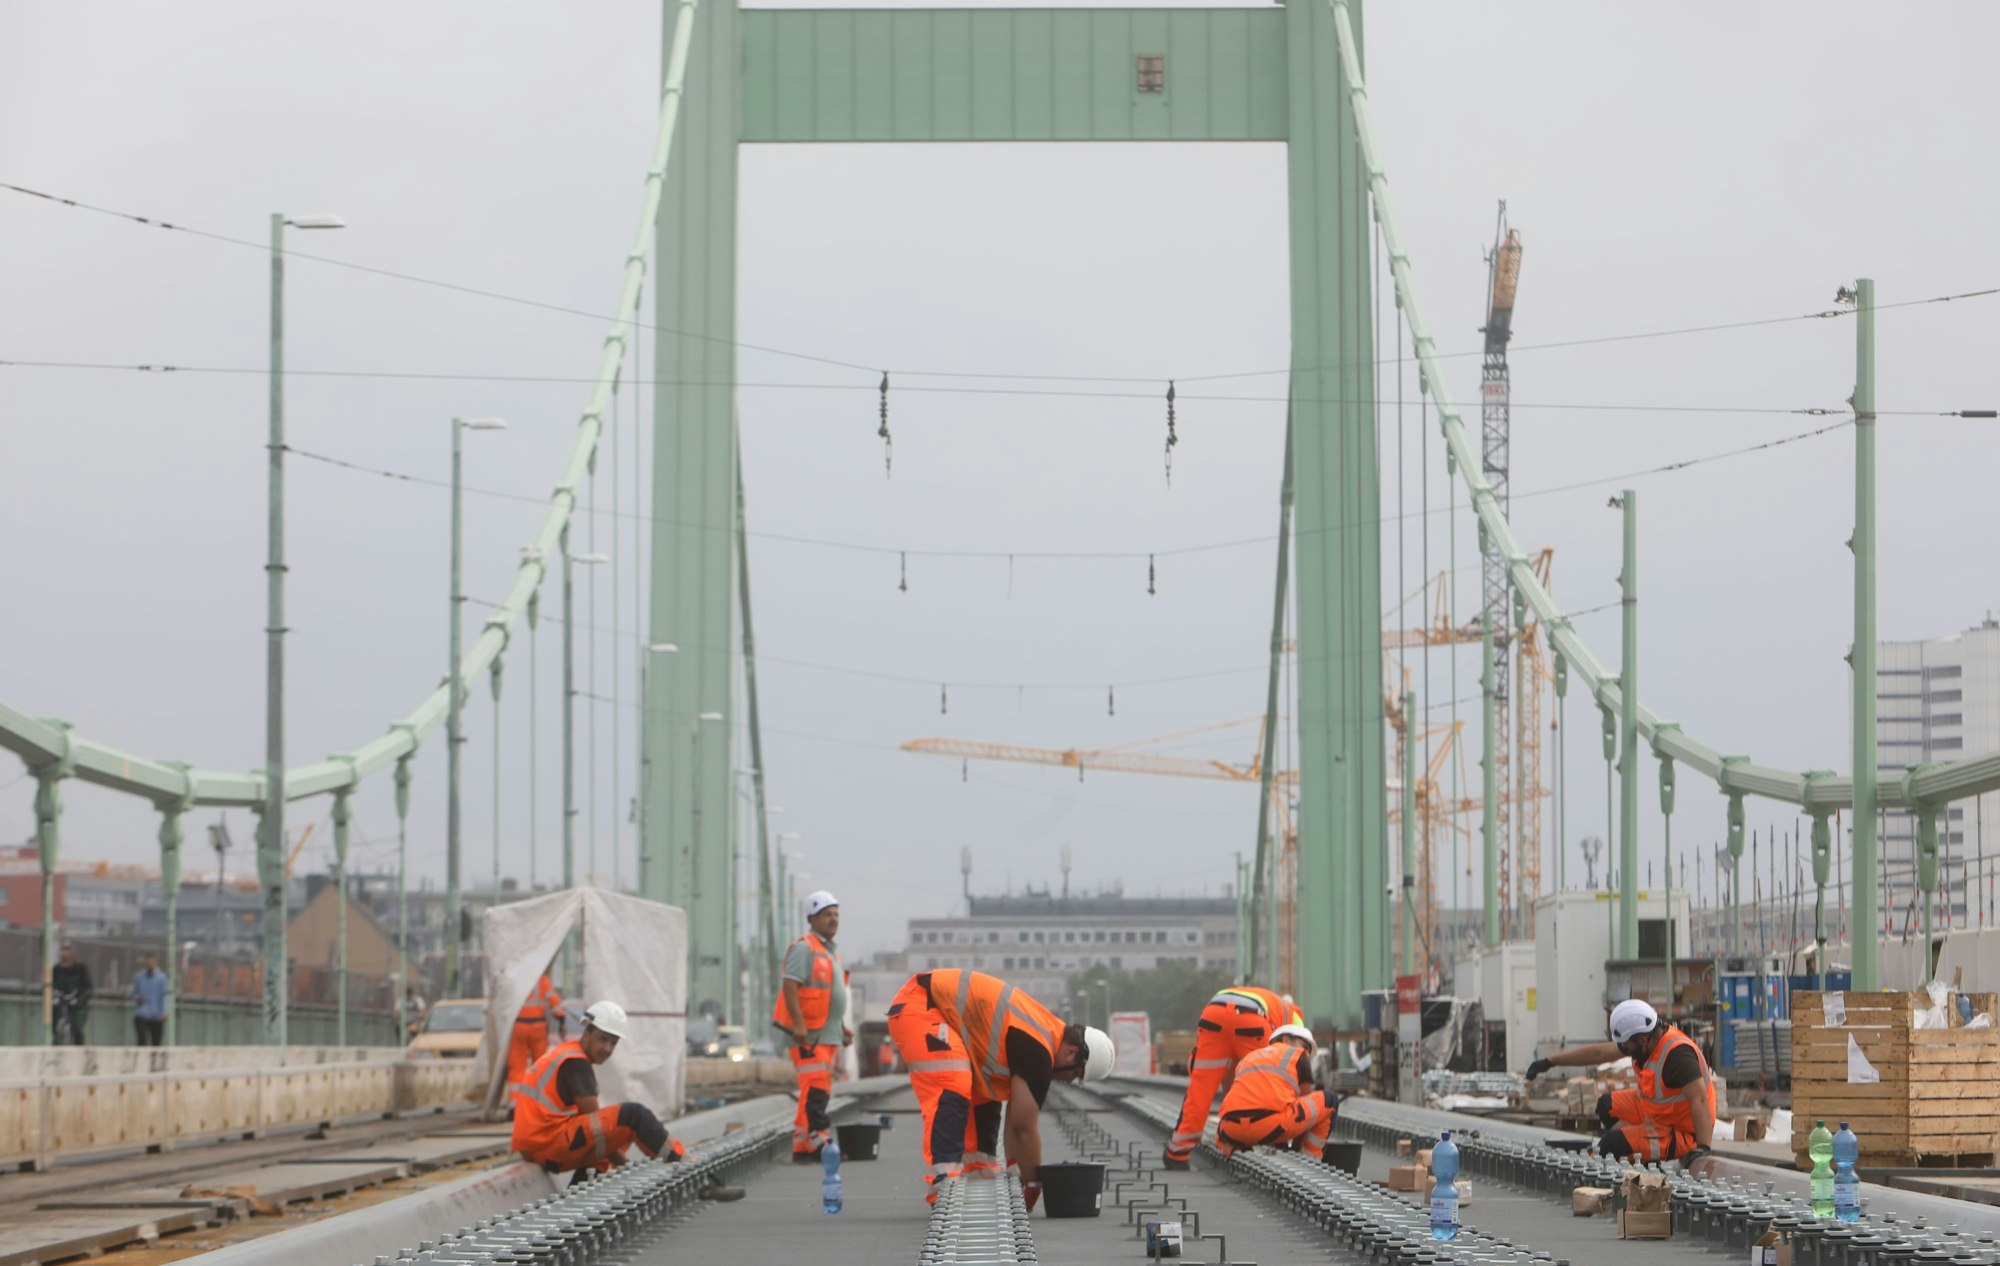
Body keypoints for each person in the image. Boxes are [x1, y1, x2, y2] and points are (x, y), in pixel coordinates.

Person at [886, 968, 1115, 1209]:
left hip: (931, 1007)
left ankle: (979, 1173)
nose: (1069, 1081)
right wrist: (1034, 1184)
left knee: (985, 1093)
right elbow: (1022, 1127)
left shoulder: (1044, 1035)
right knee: (951, 1084)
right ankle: (944, 1184)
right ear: (1071, 1052)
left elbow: (1016, 1117)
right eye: (1076, 1074)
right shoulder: (1040, 1050)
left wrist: (1016, 1168)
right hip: (923, 1007)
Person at [1526, 998, 1715, 1167]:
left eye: (1625, 1044)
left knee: (1611, 1144)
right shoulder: (1645, 1042)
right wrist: (1550, 1062)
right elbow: (1599, 1053)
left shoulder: (1677, 1056)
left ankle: (1632, 1154)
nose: (1622, 1049)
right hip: (1656, 1111)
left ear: (1642, 1039)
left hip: (1682, 1132)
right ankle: (1636, 1151)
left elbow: (1699, 1100)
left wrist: (1703, 1147)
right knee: (1605, 1105)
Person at [510, 1000, 685, 1176]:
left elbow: (596, 1131)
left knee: (605, 1146)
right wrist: (624, 1166)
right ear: (587, 1033)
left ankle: (580, 1199)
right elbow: (598, 1127)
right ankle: (681, 1163)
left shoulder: (567, 1054)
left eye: (613, 1043)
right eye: (603, 1039)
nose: (607, 1049)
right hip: (547, 1145)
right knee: (634, 1115)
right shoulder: (576, 1063)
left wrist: (618, 1162)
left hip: (539, 1147)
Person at [1165, 984, 1303, 1169]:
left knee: (1200, 1092)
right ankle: (1259, 1139)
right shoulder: (1295, 1020)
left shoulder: (1268, 999)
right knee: (1266, 1085)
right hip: (1252, 1021)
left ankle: (1177, 1153)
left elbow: (1232, 1081)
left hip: (1214, 1014)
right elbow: (1294, 1067)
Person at [771, 890, 851, 1161]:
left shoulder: (830, 953)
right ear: (811, 918)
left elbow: (829, 995)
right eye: (827, 914)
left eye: (836, 914)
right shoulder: (804, 948)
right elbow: (790, 986)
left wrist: (841, 1027)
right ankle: (818, 1140)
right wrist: (799, 1024)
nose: (833, 919)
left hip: (826, 1033)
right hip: (809, 1033)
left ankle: (803, 1144)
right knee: (815, 1086)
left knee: (818, 1088)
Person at [1214, 1024, 1338, 1159]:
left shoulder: (1248, 1058)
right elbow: (1305, 1103)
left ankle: (1232, 1147)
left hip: (1230, 1130)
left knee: (1278, 1108)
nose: (1306, 1053)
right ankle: (1309, 1158)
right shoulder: (1297, 1055)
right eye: (1304, 1046)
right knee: (1329, 1100)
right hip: (1268, 1128)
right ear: (1286, 1040)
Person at [506, 968, 566, 1111]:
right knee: (540, 1066)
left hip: (518, 1026)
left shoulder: (516, 979)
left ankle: (515, 1103)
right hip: (538, 1027)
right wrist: (561, 1019)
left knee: (517, 1066)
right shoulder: (542, 980)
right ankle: (539, 1102)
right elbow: (555, 1002)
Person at [51, 943, 93, 1045]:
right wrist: (54, 996)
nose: (64, 953)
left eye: (67, 950)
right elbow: (51, 986)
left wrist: (80, 999)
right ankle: (56, 1045)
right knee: (56, 1027)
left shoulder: (81, 968)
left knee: (77, 1029)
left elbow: (88, 988)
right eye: (63, 951)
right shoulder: (57, 969)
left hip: (77, 1004)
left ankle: (79, 1048)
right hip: (61, 1002)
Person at [129, 953, 169, 1046]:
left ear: (154, 962)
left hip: (156, 1015)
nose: (150, 964)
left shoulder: (161, 978)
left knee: (156, 1042)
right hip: (142, 1014)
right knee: (141, 1039)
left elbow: (164, 995)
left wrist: (164, 1011)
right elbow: (133, 994)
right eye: (148, 962)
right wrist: (138, 998)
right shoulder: (139, 977)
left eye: (151, 961)